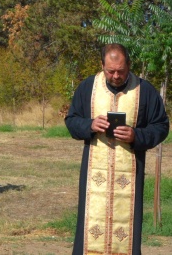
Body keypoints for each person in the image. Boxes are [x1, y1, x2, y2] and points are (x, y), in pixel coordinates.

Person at [65, 43, 169, 255]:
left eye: (121, 71)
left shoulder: (145, 91)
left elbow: (161, 126)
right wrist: (90, 125)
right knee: (89, 233)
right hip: (95, 175)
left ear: (129, 65)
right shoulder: (87, 88)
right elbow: (72, 120)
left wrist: (136, 135)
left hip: (129, 176)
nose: (115, 76)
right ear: (102, 65)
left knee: (127, 233)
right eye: (110, 71)